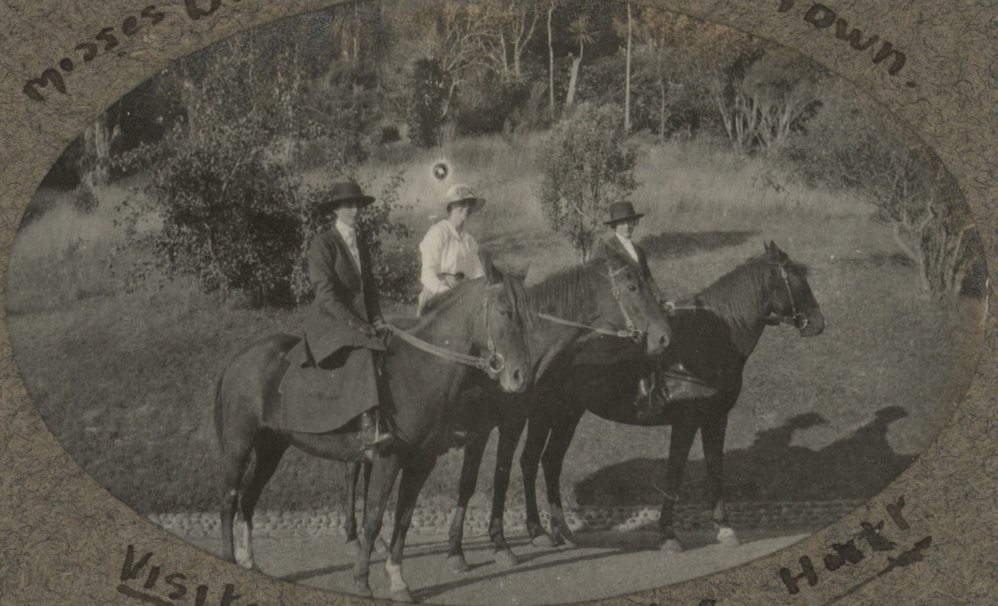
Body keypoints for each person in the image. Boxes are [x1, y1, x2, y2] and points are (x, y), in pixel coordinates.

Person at [302, 181, 393, 450]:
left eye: (357, 205)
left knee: (390, 343)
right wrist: (358, 324)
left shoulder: (360, 241)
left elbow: (370, 287)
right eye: (348, 205)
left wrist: (377, 318)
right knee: (365, 351)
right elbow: (326, 296)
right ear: (336, 210)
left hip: (358, 320)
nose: (355, 210)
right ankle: (367, 426)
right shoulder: (323, 244)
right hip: (329, 323)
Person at [417, 184, 488, 316]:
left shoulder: (469, 241)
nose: (466, 208)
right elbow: (427, 274)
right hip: (438, 295)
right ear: (451, 207)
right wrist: (448, 294)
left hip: (464, 295)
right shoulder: (438, 233)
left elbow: (478, 275)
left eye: (469, 204)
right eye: (461, 204)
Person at [592, 200, 668, 306]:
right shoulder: (606, 249)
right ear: (614, 225)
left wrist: (662, 298)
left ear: (634, 223)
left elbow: (647, 277)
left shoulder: (639, 251)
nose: (627, 226)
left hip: (644, 303)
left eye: (630, 222)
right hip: (621, 306)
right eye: (622, 223)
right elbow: (598, 281)